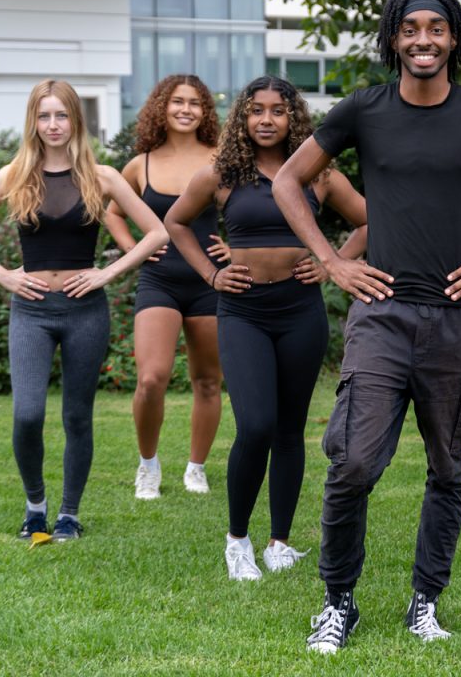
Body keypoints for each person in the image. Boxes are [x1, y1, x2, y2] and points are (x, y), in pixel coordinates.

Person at [271, 0, 461, 653]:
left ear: (455, 38)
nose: (423, 40)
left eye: (437, 28)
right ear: (393, 39)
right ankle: (338, 603)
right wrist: (330, 261)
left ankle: (424, 603)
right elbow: (288, 181)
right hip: (380, 314)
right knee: (352, 461)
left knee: (448, 466)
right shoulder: (364, 110)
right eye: (410, 29)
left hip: (454, 320)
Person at [164, 76, 368, 581]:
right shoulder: (221, 174)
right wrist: (211, 274)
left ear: (292, 118)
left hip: (301, 311)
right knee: (254, 427)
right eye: (256, 111)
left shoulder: (317, 176)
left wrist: (332, 263)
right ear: (243, 117)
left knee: (290, 430)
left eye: (278, 111)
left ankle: (279, 542)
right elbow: (175, 223)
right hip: (243, 312)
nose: (266, 120)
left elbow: (372, 221)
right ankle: (238, 542)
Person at [0, 79, 168, 541]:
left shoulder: (102, 176)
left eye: (62, 115)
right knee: (27, 413)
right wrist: (3, 275)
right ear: (33, 121)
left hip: (84, 309)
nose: (53, 125)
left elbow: (156, 234)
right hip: (30, 309)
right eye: (44, 116)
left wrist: (105, 274)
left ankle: (68, 513)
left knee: (76, 416)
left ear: (76, 120)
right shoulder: (14, 175)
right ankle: (35, 505)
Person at [104, 75, 225, 501]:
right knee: (151, 379)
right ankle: (148, 465)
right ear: (162, 107)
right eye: (178, 102)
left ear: (205, 112)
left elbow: (250, 207)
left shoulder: (222, 158)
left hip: (210, 281)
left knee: (208, 381)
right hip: (159, 280)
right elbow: (113, 212)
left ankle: (196, 467)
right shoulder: (142, 164)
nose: (186, 109)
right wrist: (135, 248)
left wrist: (237, 248)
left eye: (195, 103)